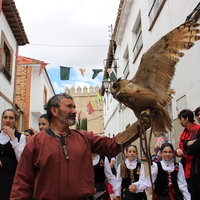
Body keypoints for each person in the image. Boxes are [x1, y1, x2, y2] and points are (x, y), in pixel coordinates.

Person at [10, 93, 122, 200]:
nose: (74, 110)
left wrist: (138, 126)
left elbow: (112, 145)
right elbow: (22, 180)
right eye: (69, 106)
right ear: (54, 110)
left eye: (74, 107)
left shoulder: (85, 137)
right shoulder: (37, 141)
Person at [0, 109, 26, 200]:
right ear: (2, 119)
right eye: (5, 117)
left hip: (10, 176)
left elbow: (21, 158)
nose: (7, 120)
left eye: (11, 118)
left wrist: (13, 137)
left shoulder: (20, 137)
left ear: (16, 120)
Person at [176, 109, 200, 189]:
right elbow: (181, 146)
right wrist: (179, 151)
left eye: (181, 119)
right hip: (186, 165)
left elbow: (194, 147)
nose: (179, 122)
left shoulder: (197, 129)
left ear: (186, 119)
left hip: (196, 164)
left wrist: (187, 145)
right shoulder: (184, 132)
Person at [184, 128, 200, 200]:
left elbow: (191, 149)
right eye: (197, 115)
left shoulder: (196, 128)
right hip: (193, 169)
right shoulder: (187, 131)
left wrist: (188, 144)